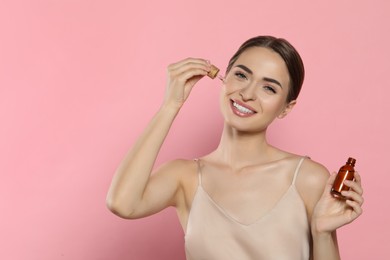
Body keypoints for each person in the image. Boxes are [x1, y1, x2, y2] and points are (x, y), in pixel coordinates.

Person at [106, 36, 364, 259]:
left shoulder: (309, 178)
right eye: (241, 75)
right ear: (224, 76)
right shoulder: (185, 177)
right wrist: (170, 106)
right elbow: (122, 203)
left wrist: (322, 232)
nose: (248, 93)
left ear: (286, 107)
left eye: (268, 88)